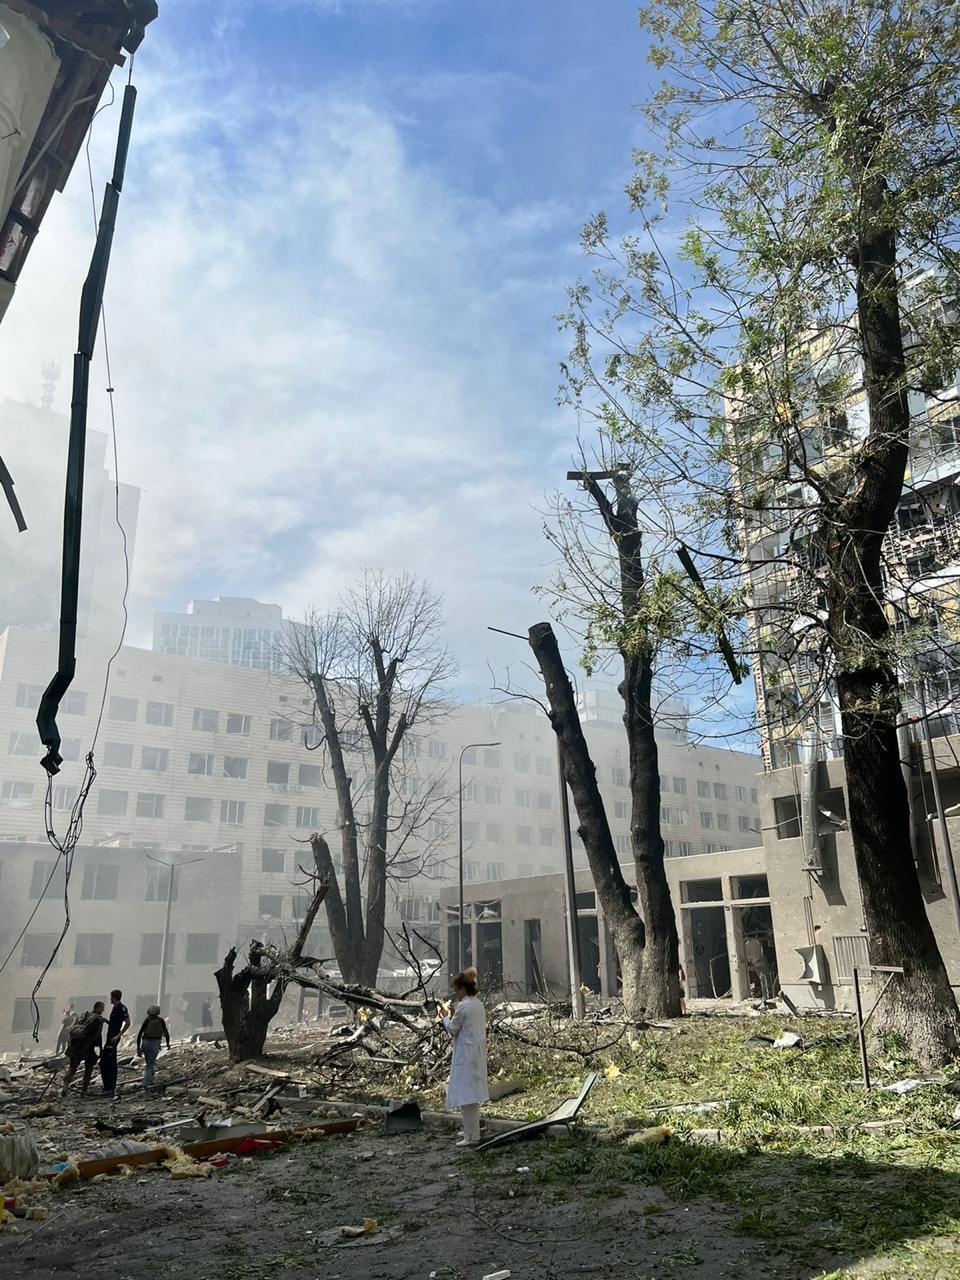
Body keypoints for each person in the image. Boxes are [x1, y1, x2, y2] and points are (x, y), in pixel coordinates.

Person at [442, 967, 488, 1148]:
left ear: (462, 989)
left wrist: (445, 1018)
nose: (456, 993)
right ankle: (471, 1129)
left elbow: (453, 1029)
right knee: (472, 1095)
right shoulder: (478, 1004)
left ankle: (472, 1136)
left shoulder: (463, 1006)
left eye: (456, 990)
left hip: (466, 1056)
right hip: (476, 1053)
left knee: (466, 1097)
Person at [62, 1002, 106, 1095]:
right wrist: (100, 1049)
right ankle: (84, 1090)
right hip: (88, 1048)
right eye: (102, 1008)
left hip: (75, 1046)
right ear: (97, 1008)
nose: (103, 1010)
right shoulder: (98, 1019)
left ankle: (65, 1087)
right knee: (89, 1069)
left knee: (72, 1068)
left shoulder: (84, 1016)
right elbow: (98, 1036)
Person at [99, 989, 130, 1096]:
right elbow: (113, 1023)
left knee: (110, 1063)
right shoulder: (115, 1008)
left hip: (113, 1039)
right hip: (110, 1038)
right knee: (104, 1062)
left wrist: (118, 1035)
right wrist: (106, 1021)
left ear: (114, 997)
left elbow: (127, 1022)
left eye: (111, 997)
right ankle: (107, 1087)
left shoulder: (121, 1008)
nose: (110, 999)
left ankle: (110, 1088)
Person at [136, 1005, 171, 1087]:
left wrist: (138, 1047)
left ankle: (150, 1079)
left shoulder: (147, 1020)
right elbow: (166, 1033)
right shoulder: (161, 1020)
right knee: (150, 1065)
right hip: (155, 1044)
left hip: (145, 1043)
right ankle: (145, 1085)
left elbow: (140, 1033)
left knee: (149, 1063)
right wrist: (168, 1044)